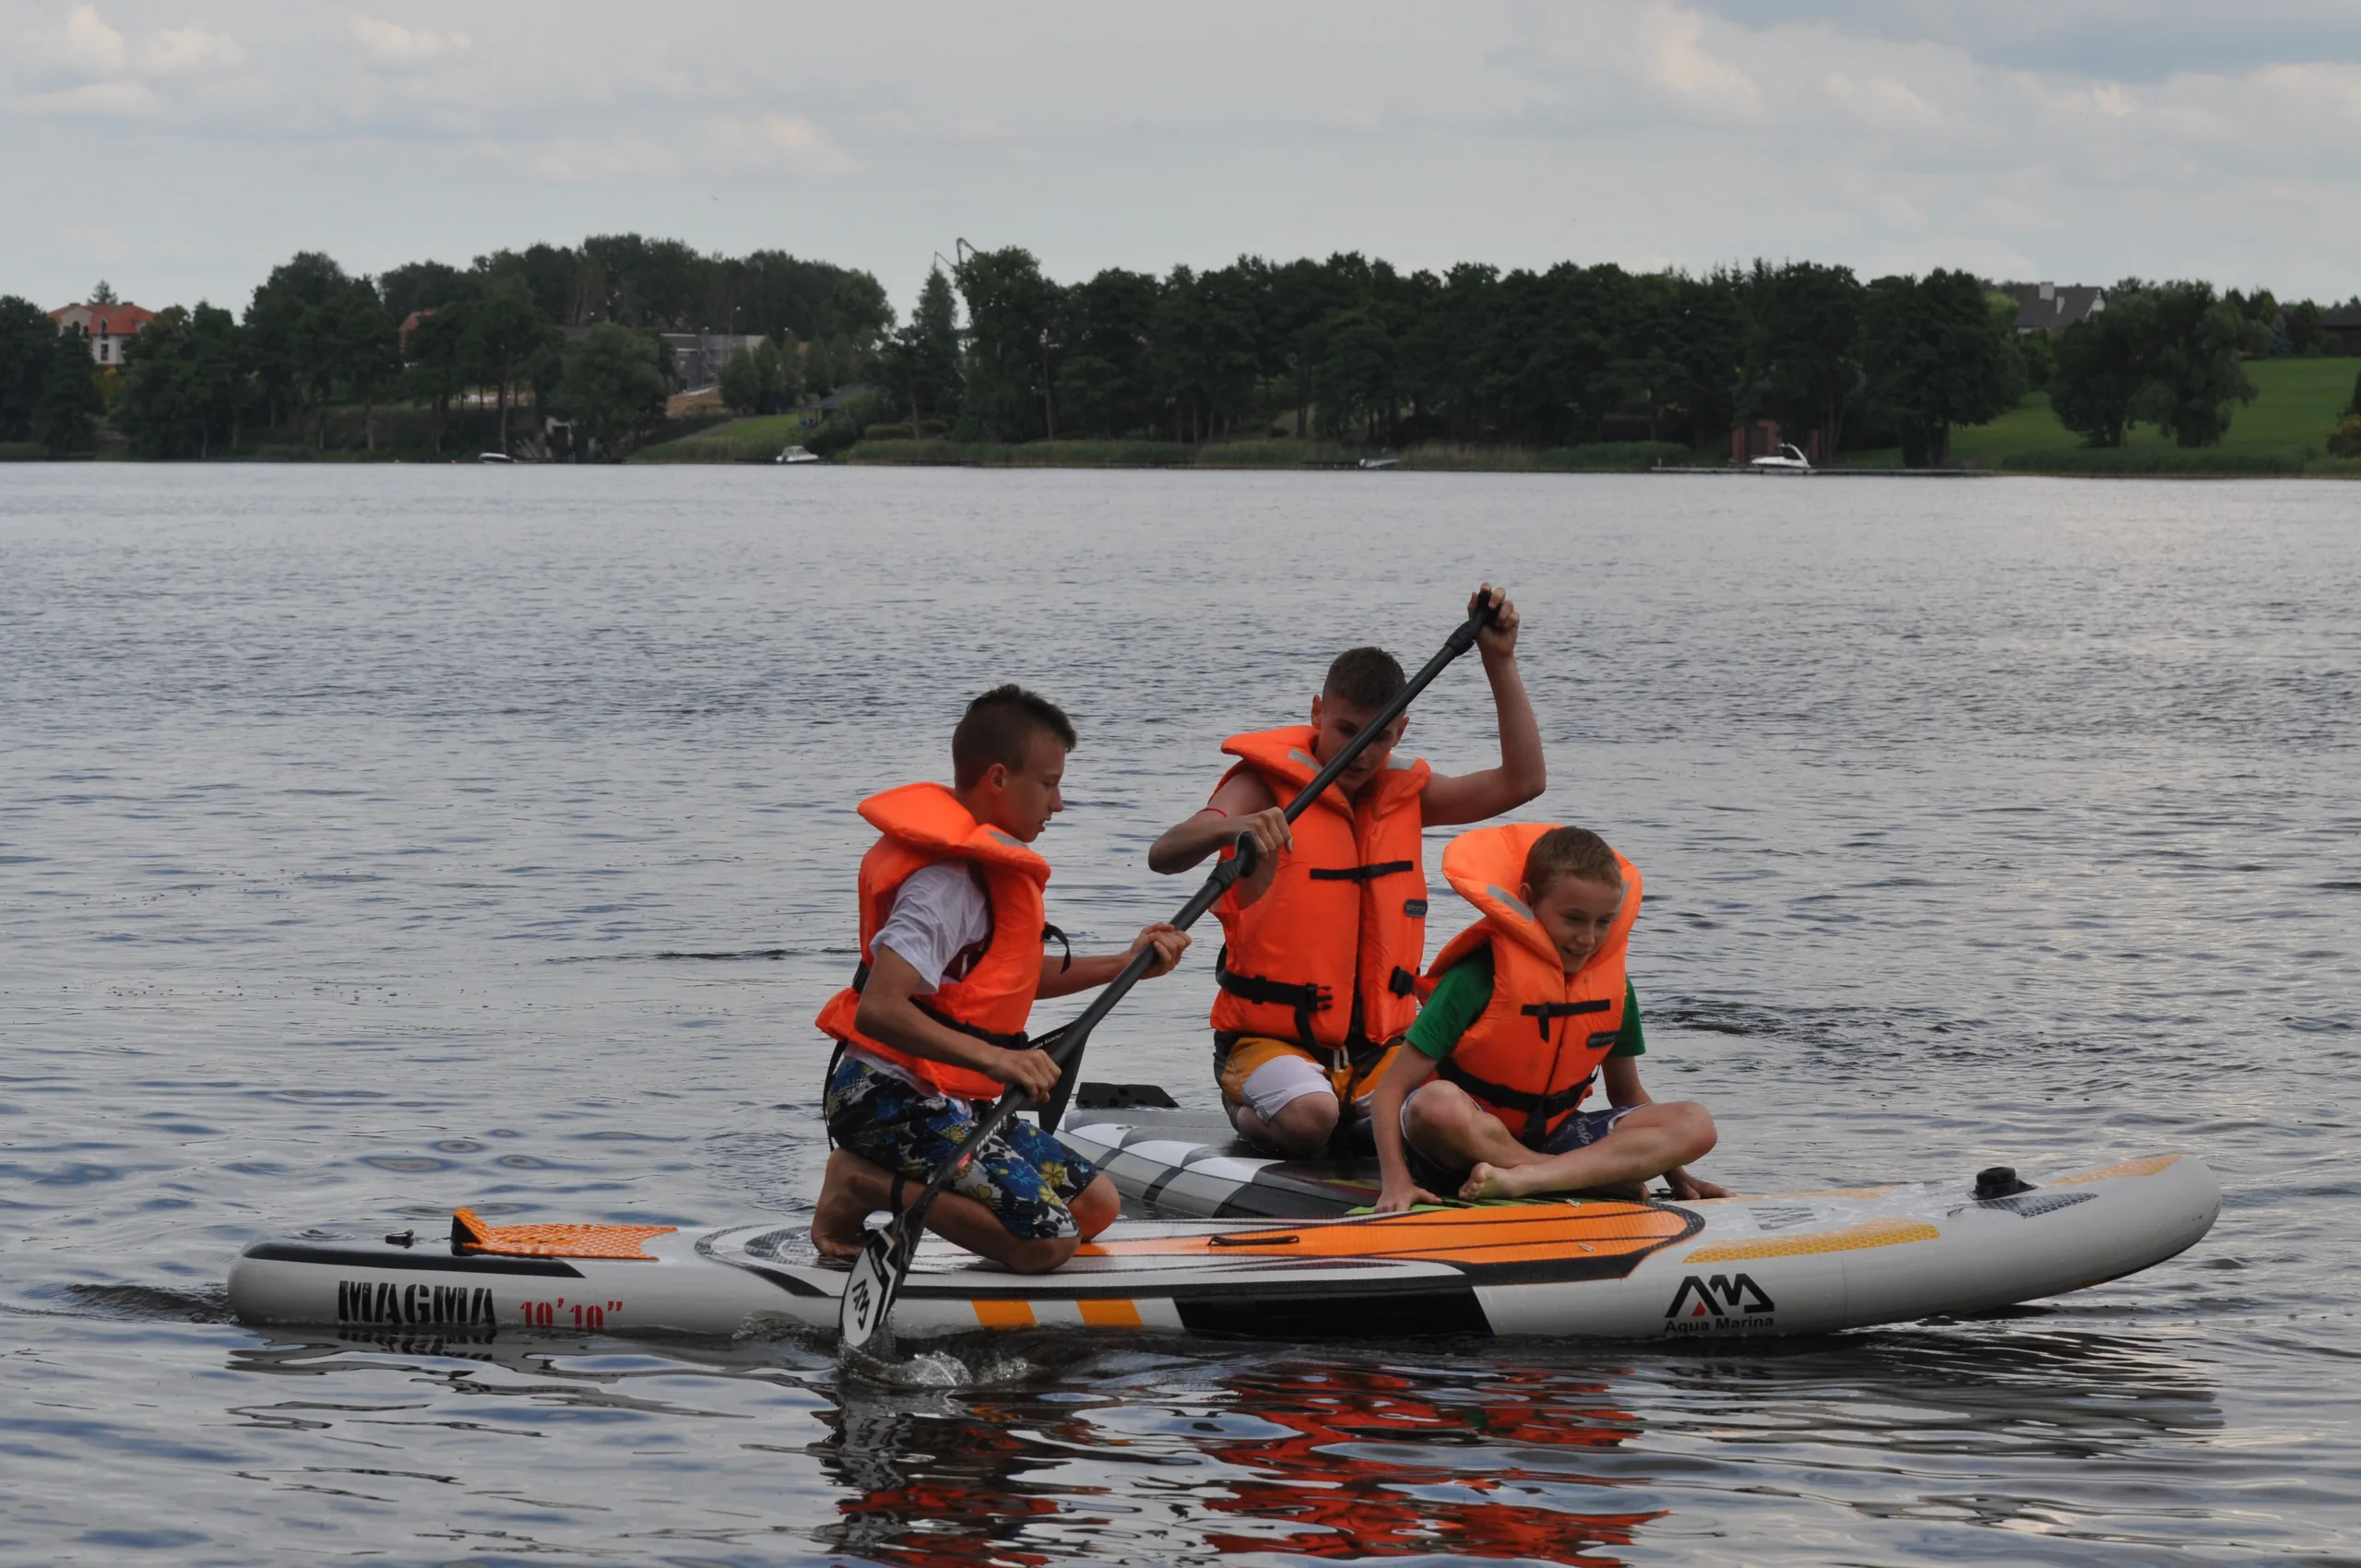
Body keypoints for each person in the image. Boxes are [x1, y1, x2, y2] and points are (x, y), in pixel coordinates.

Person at [1145, 586, 1544, 1158]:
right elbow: (1166, 853)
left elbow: (1523, 782)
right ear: (1317, 713)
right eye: (1345, 730)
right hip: (1265, 1042)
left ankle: (1393, 1130)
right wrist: (1230, 828)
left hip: (1381, 1048)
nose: (1360, 752)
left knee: (1453, 1114)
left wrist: (1499, 660)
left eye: (1378, 736)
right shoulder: (1260, 785)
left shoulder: (1405, 795)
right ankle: (1251, 1114)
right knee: (1312, 1118)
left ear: (1400, 732)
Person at [811, 684, 1190, 1274]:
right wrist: (1000, 1062)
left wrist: (1125, 963)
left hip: (949, 1094)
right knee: (1047, 1244)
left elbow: (1011, 981)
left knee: (1095, 1206)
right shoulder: (945, 886)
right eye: (1048, 783)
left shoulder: (987, 873)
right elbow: (879, 1009)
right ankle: (858, 1185)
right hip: (885, 1097)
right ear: (997, 779)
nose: (1058, 803)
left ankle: (916, 1191)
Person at [1370, 822, 1728, 1210]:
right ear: (1528, 899)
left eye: (1603, 921)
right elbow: (1391, 1091)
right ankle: (1581, 1178)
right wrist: (1396, 1182)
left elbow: (1626, 1095)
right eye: (1573, 919)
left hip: (1555, 1137)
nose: (1588, 938)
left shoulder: (1616, 988)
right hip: (1457, 1145)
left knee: (1696, 1123)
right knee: (1434, 1106)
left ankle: (1530, 1178)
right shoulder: (1475, 978)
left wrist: (1677, 1173)